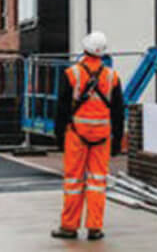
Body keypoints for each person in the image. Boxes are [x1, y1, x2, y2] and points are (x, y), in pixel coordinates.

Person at [51, 32, 125, 241]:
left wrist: (58, 136)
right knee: (97, 182)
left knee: (74, 181)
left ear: (84, 49)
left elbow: (62, 108)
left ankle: (69, 227)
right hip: (102, 137)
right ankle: (94, 227)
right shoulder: (112, 77)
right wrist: (117, 141)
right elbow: (119, 112)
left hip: (76, 135)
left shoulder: (72, 74)